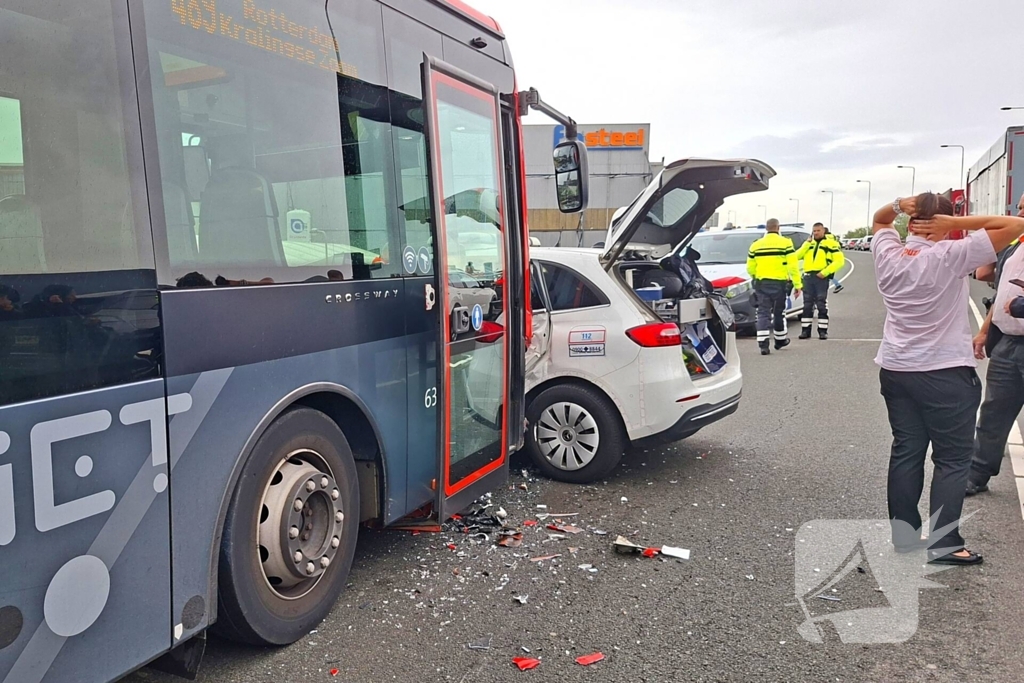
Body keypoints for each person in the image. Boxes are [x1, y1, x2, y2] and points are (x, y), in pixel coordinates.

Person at [873, 192, 1024, 565]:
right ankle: (945, 543)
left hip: (896, 368)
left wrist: (896, 206)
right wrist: (957, 225)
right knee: (953, 459)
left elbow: (879, 222)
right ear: (945, 222)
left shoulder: (889, 254)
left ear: (910, 222)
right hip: (944, 372)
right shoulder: (951, 254)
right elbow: (1017, 226)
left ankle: (905, 536)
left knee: (906, 450)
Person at [966, 194, 1024, 496]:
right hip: (1008, 344)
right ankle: (977, 474)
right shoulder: (1016, 247)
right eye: (1020, 207)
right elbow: (997, 289)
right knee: (993, 413)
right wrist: (984, 332)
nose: (1020, 212)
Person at [746, 218, 802, 355]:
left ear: (766, 228)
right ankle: (780, 340)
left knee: (763, 313)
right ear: (778, 228)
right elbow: (793, 267)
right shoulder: (786, 243)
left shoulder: (755, 245)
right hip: (779, 284)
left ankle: (763, 345)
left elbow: (750, 268)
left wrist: (756, 277)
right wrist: (797, 284)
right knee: (778, 312)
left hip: (761, 283)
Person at [795, 222, 845, 340]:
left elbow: (839, 261)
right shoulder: (808, 244)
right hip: (808, 277)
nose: (816, 233)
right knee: (807, 305)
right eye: (814, 231)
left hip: (821, 277)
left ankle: (822, 331)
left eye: (818, 230)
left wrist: (825, 272)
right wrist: (806, 245)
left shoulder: (831, 244)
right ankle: (805, 331)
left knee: (821, 304)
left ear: (823, 231)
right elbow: (796, 256)